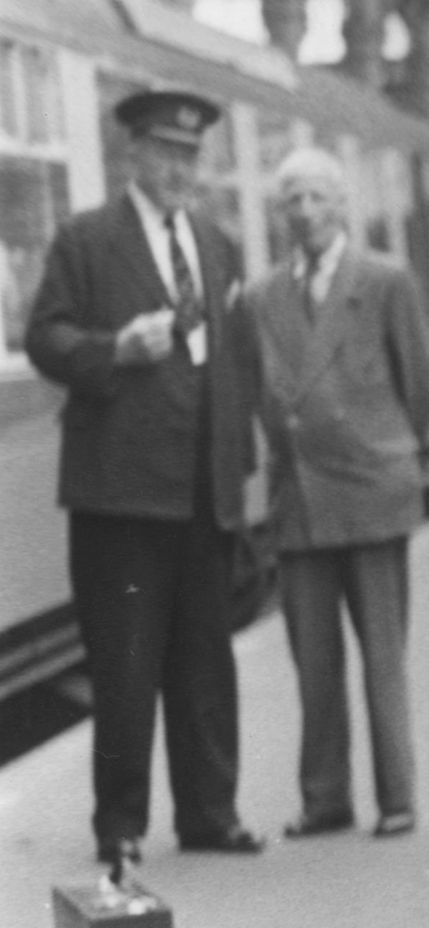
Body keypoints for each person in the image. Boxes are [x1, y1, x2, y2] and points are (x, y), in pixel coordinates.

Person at [25, 90, 265, 864]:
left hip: (202, 494)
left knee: (206, 662)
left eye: (190, 155)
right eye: (164, 152)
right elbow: (44, 337)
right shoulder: (85, 240)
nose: (178, 168)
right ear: (133, 155)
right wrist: (112, 350)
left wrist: (240, 472)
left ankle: (211, 815)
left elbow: (233, 363)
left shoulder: (215, 243)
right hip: (120, 498)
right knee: (125, 669)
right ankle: (120, 827)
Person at [243, 148, 429, 840]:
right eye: (291, 201)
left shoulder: (385, 280)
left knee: (383, 655)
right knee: (313, 661)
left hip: (371, 492)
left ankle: (397, 797)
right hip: (299, 499)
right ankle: (325, 799)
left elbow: (419, 386)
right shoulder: (263, 296)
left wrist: (393, 455)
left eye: (317, 198)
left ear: (342, 206)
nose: (305, 213)